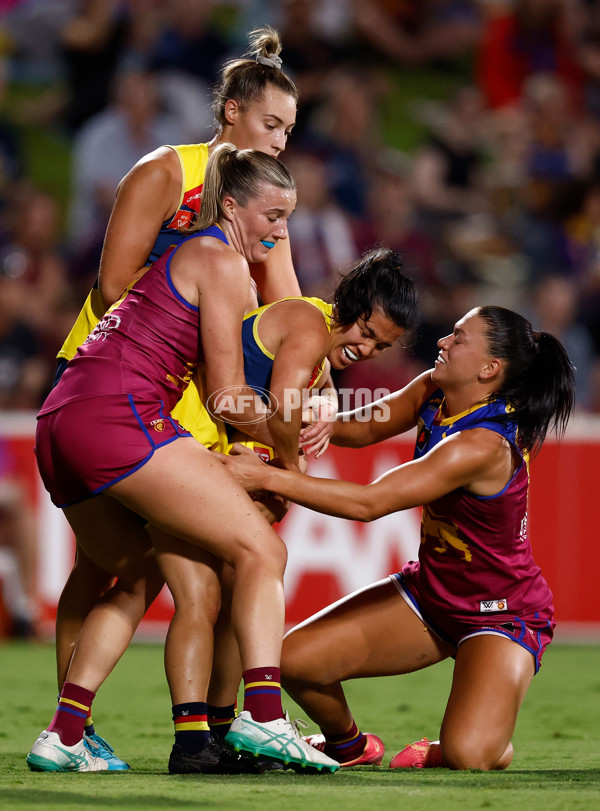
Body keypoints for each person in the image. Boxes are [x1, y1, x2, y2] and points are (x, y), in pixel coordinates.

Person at [51, 26, 335, 770]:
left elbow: (291, 301)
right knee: (142, 563)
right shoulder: (163, 173)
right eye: (270, 125)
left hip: (190, 391)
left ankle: (195, 732)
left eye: (289, 131)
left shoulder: (259, 205)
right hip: (126, 383)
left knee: (209, 561)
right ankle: (183, 729)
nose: (279, 141)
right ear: (232, 111)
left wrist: (326, 390)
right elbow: (114, 286)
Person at [222, 304, 575, 770]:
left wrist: (267, 477)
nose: (442, 343)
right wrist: (293, 413)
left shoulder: (482, 445)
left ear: (489, 368)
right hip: (431, 595)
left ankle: (481, 739)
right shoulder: (434, 388)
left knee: (470, 755)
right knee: (296, 661)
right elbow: (362, 426)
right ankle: (349, 745)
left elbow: (371, 504)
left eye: (458, 337)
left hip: (502, 614)